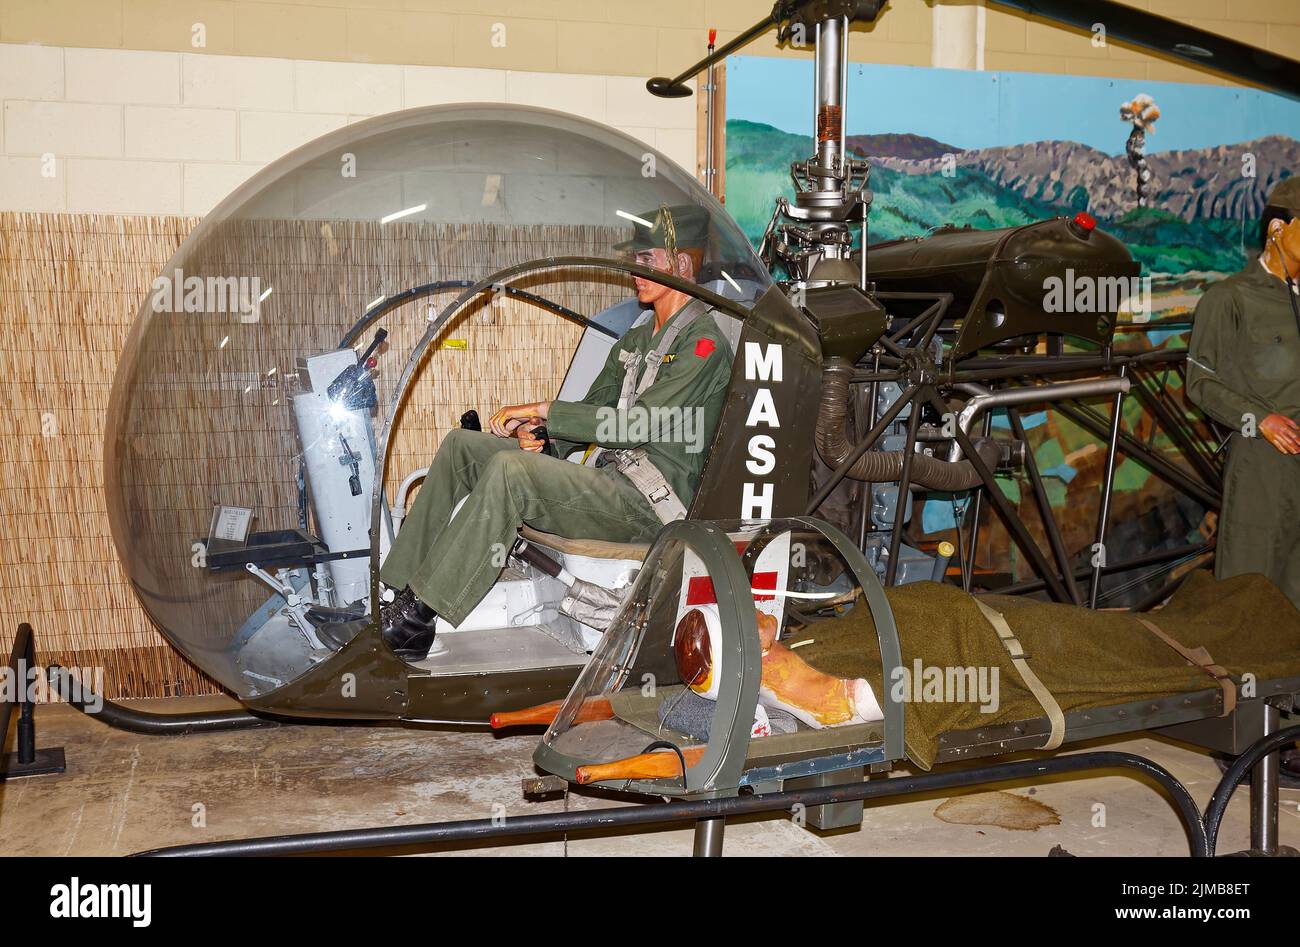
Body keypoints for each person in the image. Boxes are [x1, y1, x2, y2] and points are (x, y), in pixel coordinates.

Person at [374, 204, 733, 660]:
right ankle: (394, 591)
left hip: (651, 502)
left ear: (682, 265)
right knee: (464, 446)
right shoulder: (639, 339)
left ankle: (417, 621)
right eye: (634, 260)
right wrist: (545, 436)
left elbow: (635, 425)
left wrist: (547, 410)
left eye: (647, 260)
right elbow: (592, 411)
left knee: (510, 471)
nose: (634, 271)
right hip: (612, 481)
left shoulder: (704, 345)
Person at [1187, 176, 1300, 779]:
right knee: (1254, 588)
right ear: (1278, 230)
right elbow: (1200, 381)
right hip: (1263, 458)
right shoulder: (1228, 299)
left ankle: (1294, 728)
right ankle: (1246, 731)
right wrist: (1260, 419)